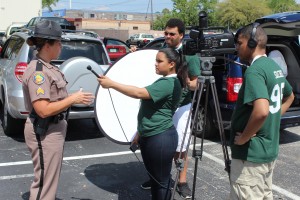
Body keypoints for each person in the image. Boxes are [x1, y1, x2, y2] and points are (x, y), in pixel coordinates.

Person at [98, 48, 188, 200]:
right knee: (155, 181)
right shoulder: (167, 81)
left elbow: (139, 93)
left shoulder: (169, 83)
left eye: (160, 61)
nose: (156, 64)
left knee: (161, 184)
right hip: (152, 136)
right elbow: (151, 113)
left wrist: (112, 83)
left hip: (160, 138)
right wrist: (139, 133)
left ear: (171, 64)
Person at [22, 20, 94, 200]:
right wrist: (72, 99)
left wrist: (70, 98)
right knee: (44, 185)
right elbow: (43, 110)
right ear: (47, 45)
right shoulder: (39, 72)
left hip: (53, 129)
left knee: (49, 180)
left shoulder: (49, 67)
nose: (61, 46)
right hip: (44, 130)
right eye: (59, 43)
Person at [230, 23, 294, 199]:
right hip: (268, 152)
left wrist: (243, 138)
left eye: (239, 42)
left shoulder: (254, 71)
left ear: (251, 43)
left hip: (251, 157)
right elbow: (289, 97)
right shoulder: (273, 67)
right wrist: (274, 116)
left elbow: (261, 112)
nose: (236, 47)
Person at [140, 18, 200, 199]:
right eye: (165, 33)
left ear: (181, 35)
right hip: (163, 105)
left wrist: (187, 84)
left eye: (172, 34)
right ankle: (158, 177)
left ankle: (182, 181)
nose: (167, 36)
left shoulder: (189, 55)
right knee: (157, 143)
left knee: (180, 147)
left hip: (181, 106)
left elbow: (197, 82)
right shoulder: (164, 50)